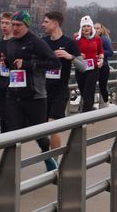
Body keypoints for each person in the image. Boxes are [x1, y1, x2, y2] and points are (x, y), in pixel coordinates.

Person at [6, 10, 61, 171]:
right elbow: (12, 66)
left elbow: (55, 63)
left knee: (40, 135)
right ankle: (10, 169)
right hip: (14, 95)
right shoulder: (10, 43)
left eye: (19, 25)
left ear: (26, 26)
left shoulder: (35, 42)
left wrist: (28, 64)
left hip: (35, 96)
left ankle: (48, 156)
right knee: (13, 134)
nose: (15, 28)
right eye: (13, 25)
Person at [42, 11, 84, 150]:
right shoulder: (43, 42)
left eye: (46, 22)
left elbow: (83, 67)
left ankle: (54, 161)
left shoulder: (69, 43)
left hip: (60, 91)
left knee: (53, 125)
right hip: (42, 91)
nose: (43, 24)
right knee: (43, 129)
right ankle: (48, 157)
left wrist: (69, 56)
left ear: (55, 23)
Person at [74, 15, 104, 113]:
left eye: (88, 26)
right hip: (81, 69)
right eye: (84, 26)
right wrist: (78, 55)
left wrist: (101, 60)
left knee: (88, 92)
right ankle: (89, 112)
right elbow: (71, 53)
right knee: (84, 93)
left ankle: (84, 117)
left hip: (93, 69)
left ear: (91, 27)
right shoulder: (76, 39)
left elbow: (100, 52)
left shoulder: (97, 39)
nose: (86, 28)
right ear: (81, 28)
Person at [94, 22, 114, 107]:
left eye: (98, 28)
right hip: (92, 66)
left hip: (103, 66)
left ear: (101, 30)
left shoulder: (104, 39)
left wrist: (100, 53)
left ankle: (106, 103)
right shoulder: (90, 39)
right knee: (89, 86)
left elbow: (110, 52)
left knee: (102, 87)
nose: (96, 30)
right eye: (94, 28)